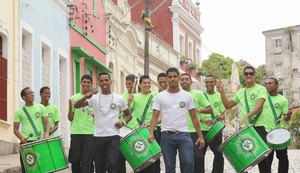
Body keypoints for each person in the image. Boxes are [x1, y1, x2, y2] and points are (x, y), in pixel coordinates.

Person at [148, 67, 205, 173]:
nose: (172, 79)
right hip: (166, 136)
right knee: (169, 167)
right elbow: (155, 116)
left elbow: (194, 117)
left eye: (175, 76)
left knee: (188, 162)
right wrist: (151, 133)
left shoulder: (187, 96)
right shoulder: (160, 97)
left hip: (184, 135)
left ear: (178, 78)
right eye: (170, 77)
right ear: (166, 79)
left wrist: (200, 136)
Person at [216, 66, 271, 173]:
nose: (249, 75)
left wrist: (247, 116)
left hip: (258, 126)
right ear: (244, 76)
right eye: (246, 74)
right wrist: (221, 91)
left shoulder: (261, 89)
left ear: (254, 76)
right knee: (243, 156)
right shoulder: (241, 92)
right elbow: (228, 105)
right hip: (244, 128)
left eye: (251, 73)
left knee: (262, 157)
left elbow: (259, 106)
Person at [74, 72, 132, 173]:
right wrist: (85, 97)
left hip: (113, 136)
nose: (104, 82)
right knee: (99, 166)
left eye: (106, 80)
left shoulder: (119, 98)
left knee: (112, 163)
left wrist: (122, 122)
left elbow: (129, 115)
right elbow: (76, 106)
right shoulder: (94, 98)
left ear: (110, 82)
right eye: (101, 81)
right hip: (98, 137)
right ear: (98, 83)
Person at [179, 73, 214, 173]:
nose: (184, 81)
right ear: (179, 82)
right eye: (182, 79)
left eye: (186, 79)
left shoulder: (198, 94)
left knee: (198, 157)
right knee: (184, 159)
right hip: (181, 131)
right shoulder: (176, 95)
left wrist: (197, 110)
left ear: (190, 82)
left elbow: (210, 109)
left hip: (195, 131)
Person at [13, 87, 50, 173]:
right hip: (26, 143)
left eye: (33, 93)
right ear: (24, 97)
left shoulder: (40, 107)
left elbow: (47, 123)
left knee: (43, 168)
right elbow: (15, 129)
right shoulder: (19, 112)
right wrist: (22, 139)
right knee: (27, 169)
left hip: (40, 141)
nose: (32, 94)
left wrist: (46, 133)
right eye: (29, 93)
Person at [263, 77, 292, 173]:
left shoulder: (283, 100)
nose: (267, 85)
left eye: (270, 83)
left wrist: (288, 115)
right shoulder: (262, 98)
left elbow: (286, 118)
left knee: (283, 157)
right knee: (267, 159)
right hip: (266, 132)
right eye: (266, 84)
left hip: (279, 132)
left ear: (276, 85)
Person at [68, 74, 95, 173]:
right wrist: (70, 108)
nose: (86, 84)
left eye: (88, 82)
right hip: (76, 132)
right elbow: (70, 118)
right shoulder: (74, 98)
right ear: (81, 83)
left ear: (91, 84)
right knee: (75, 159)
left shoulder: (95, 99)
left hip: (90, 132)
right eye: (84, 82)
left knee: (87, 160)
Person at [201, 74, 225, 173]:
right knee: (199, 155)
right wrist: (203, 120)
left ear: (214, 83)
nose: (209, 84)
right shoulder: (200, 96)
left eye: (211, 82)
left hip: (215, 130)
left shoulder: (219, 96)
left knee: (219, 154)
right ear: (204, 83)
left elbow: (223, 113)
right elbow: (194, 113)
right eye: (207, 82)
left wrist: (221, 117)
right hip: (201, 130)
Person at [119, 74, 137, 173]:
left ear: (135, 83)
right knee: (121, 158)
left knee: (137, 158)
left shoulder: (140, 96)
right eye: (126, 84)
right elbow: (120, 114)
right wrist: (128, 104)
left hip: (136, 129)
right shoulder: (122, 97)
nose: (127, 86)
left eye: (130, 84)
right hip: (124, 129)